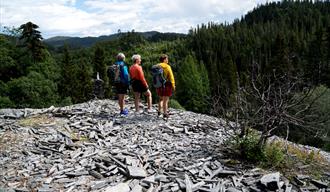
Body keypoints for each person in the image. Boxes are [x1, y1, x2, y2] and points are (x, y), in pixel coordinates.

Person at [156, 54, 175, 118]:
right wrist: (173, 85)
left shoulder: (157, 66)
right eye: (167, 59)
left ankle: (159, 111)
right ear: (164, 59)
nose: (168, 60)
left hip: (159, 85)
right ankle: (165, 113)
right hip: (166, 84)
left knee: (161, 99)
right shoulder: (167, 66)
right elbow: (171, 76)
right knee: (166, 99)